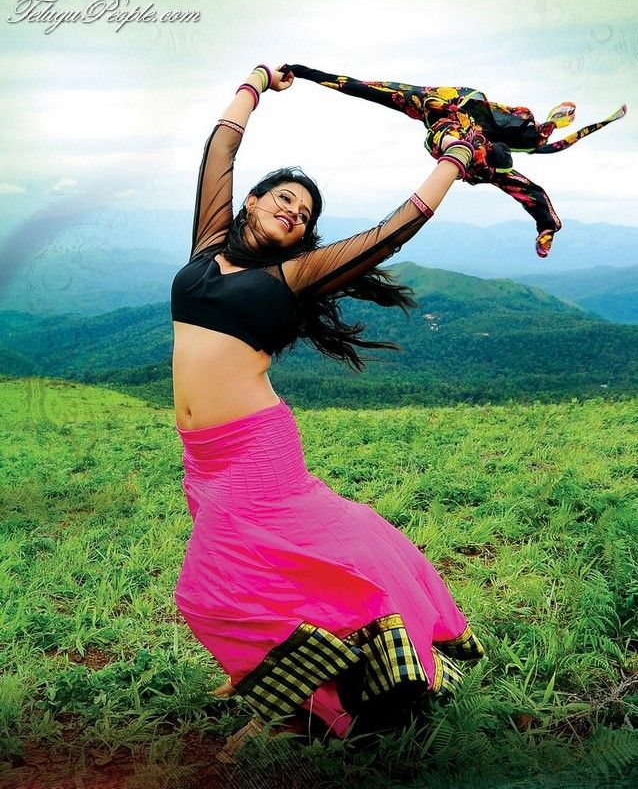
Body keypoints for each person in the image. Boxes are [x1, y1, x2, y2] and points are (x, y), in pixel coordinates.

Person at [170, 64, 485, 758]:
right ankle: (264, 678)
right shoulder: (206, 251)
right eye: (284, 198)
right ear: (252, 203)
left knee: (206, 591)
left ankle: (291, 711)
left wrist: (456, 159)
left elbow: (393, 230)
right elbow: (218, 152)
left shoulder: (292, 276)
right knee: (261, 575)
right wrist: (255, 83)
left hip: (254, 450)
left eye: (306, 214)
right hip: (203, 458)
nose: (294, 212)